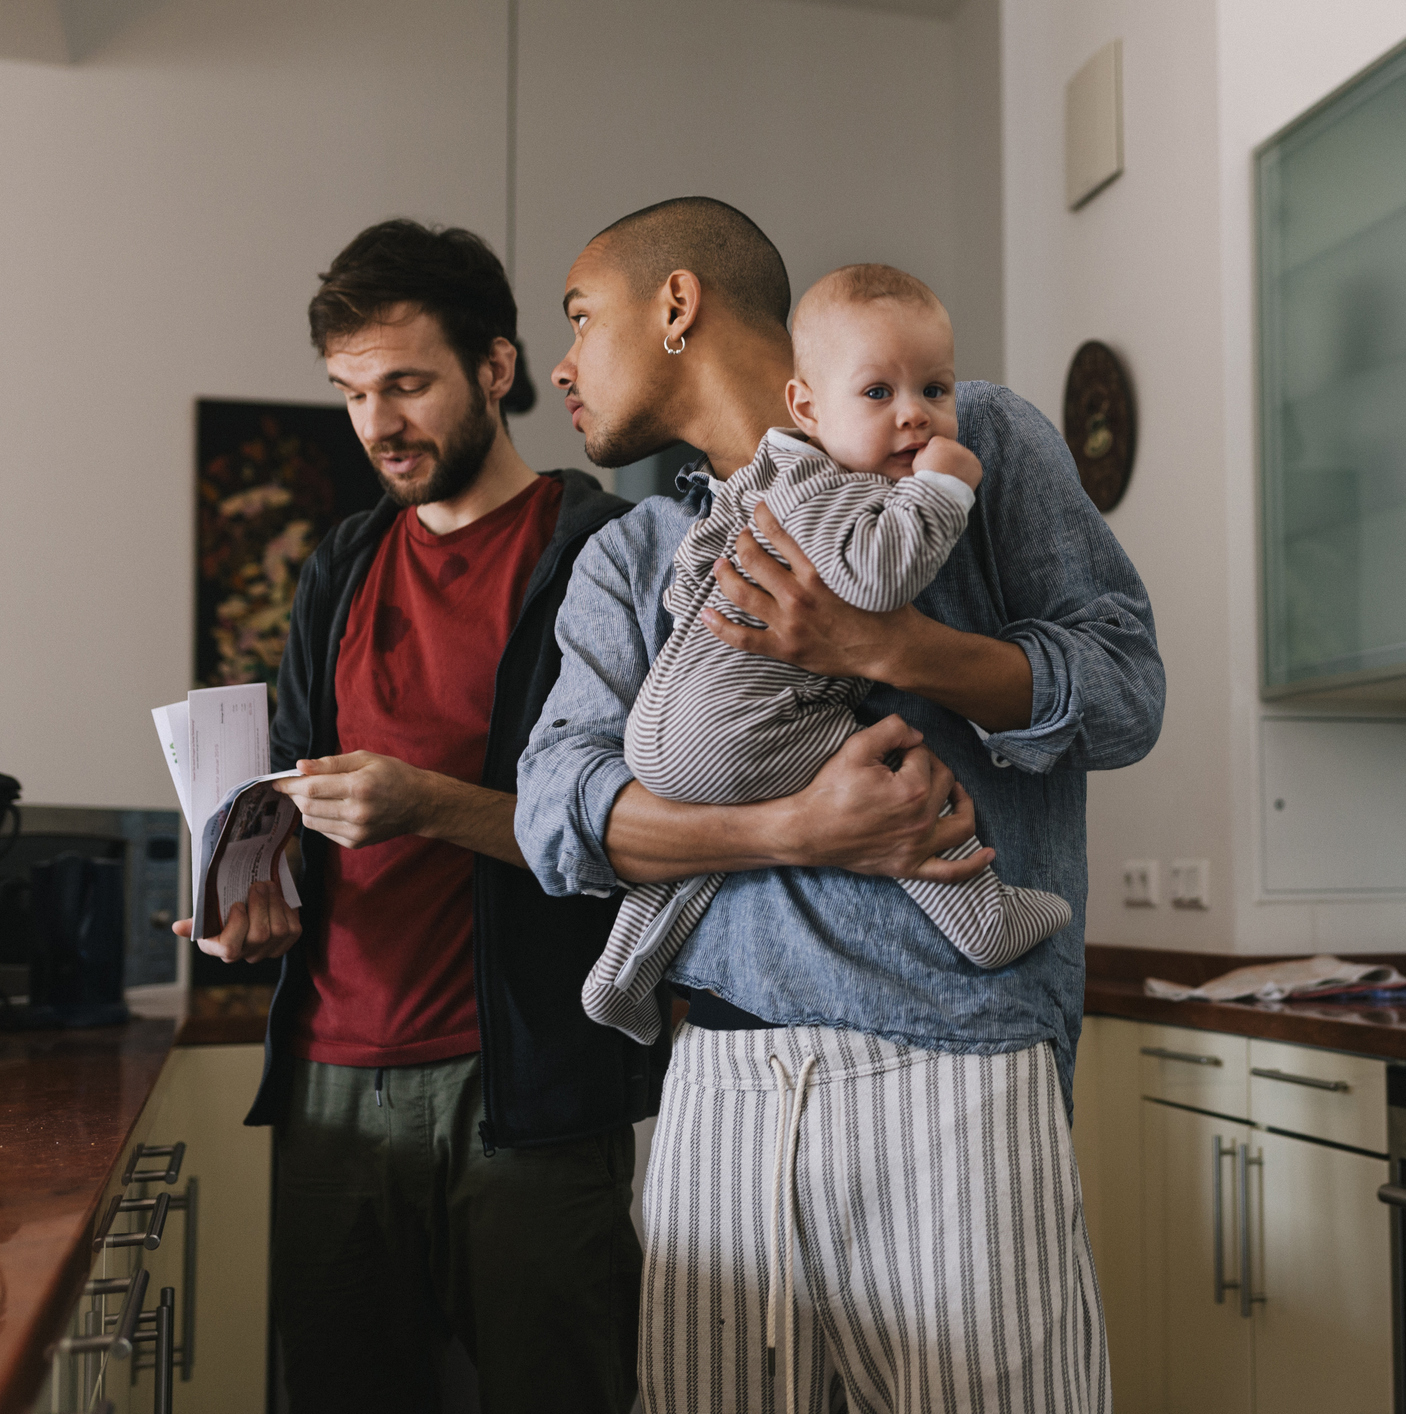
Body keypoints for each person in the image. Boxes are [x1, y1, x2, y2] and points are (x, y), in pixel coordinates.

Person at [515, 197, 1165, 1413]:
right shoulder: (631, 553)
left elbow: (1126, 694)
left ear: (674, 308)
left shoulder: (972, 447)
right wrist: (788, 829)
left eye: (578, 317)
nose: (560, 362)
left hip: (956, 1073)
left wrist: (892, 643)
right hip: (717, 1087)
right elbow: (555, 816)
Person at [178, 219, 665, 1414]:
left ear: (496, 370)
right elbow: (286, 816)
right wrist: (248, 903)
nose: (377, 425)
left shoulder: (598, 549)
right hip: (331, 1087)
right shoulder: (338, 565)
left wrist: (427, 805)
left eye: (406, 384)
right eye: (352, 393)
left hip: (532, 1088)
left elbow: (640, 837)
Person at [582, 262, 1071, 1048]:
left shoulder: (770, 481)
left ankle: (624, 964)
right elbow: (878, 577)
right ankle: (980, 913)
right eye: (878, 394)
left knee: (717, 819)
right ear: (807, 407)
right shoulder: (837, 491)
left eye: (936, 392)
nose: (916, 418)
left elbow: (690, 578)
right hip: (738, 726)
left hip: (665, 733)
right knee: (898, 778)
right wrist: (942, 492)